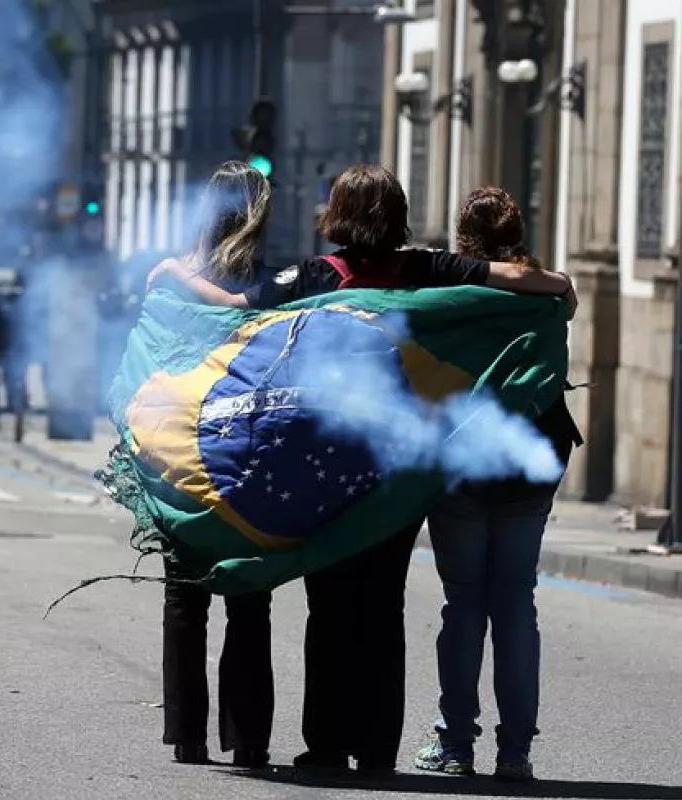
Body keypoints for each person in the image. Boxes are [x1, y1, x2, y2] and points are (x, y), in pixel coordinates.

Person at [166, 165, 575, 777]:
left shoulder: (310, 277)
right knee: (383, 606)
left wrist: (172, 274)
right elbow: (513, 278)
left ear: (338, 216)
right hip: (396, 471)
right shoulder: (427, 269)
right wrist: (562, 284)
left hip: (328, 468)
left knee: (329, 604)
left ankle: (326, 744)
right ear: (398, 213)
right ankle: (378, 744)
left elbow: (231, 308)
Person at [413, 187, 582, 783]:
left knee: (464, 603)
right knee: (516, 606)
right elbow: (561, 293)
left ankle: (455, 744)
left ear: (464, 239)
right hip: (530, 461)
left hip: (464, 462)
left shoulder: (451, 295)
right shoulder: (550, 297)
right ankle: (515, 753)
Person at [145, 161, 279, 769]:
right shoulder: (272, 277)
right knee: (248, 594)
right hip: (245, 449)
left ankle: (188, 736)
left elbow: (145, 357)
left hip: (177, 447)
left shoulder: (173, 275)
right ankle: (248, 737)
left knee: (185, 595)